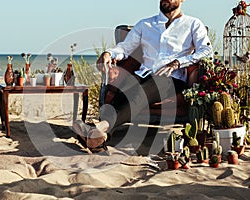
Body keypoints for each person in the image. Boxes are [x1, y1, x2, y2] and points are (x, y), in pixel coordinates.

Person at [73, 0, 213, 151]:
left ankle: (100, 127)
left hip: (171, 78)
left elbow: (206, 51)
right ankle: (100, 139)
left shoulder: (193, 24)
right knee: (122, 91)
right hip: (144, 73)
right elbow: (125, 48)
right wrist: (109, 53)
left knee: (140, 93)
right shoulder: (145, 24)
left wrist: (178, 62)